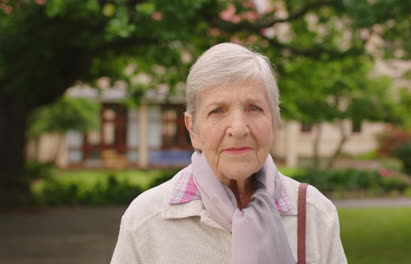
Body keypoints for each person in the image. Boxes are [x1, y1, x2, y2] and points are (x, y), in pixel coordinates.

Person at [111, 43, 347, 264]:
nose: (238, 128)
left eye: (254, 108)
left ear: (274, 121)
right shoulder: (146, 221)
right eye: (217, 111)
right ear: (192, 129)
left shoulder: (315, 213)